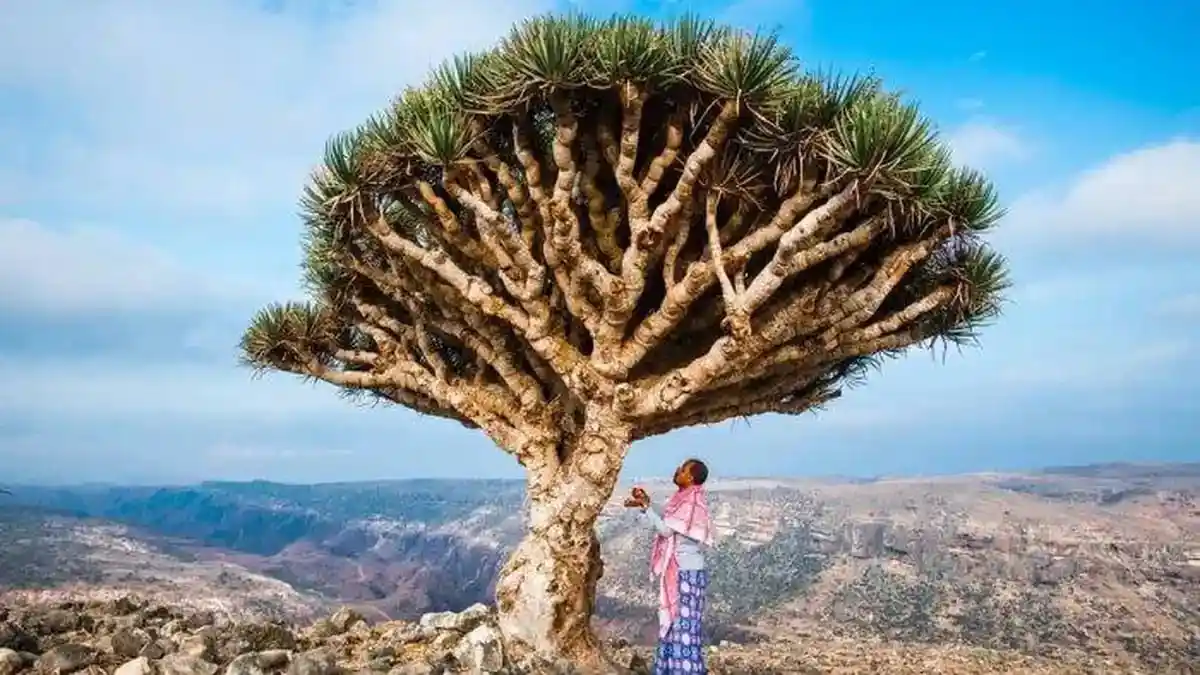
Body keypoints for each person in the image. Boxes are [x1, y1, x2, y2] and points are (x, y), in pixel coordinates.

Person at [624, 458, 714, 674]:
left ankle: (684, 670)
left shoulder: (691, 503)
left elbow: (666, 530)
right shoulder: (683, 499)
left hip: (686, 572)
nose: (677, 471)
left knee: (682, 625)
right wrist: (646, 504)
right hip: (685, 570)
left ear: (690, 477)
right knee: (676, 624)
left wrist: (647, 507)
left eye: (682, 470)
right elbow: (668, 523)